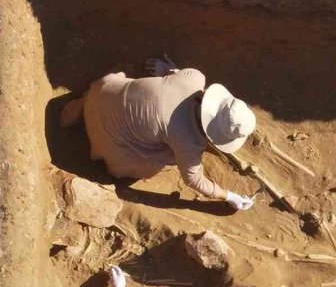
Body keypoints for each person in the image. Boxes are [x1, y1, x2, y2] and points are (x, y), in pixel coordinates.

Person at [60, 55, 256, 210]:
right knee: (164, 160)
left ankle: (81, 107)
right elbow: (194, 180)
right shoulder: (188, 142)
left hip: (102, 90)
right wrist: (230, 197)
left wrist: (167, 71)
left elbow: (177, 76)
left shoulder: (195, 77)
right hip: (106, 137)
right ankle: (88, 126)